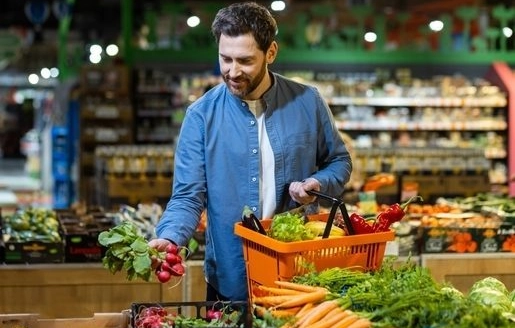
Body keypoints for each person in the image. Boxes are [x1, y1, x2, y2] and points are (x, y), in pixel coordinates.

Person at [148, 1, 352, 302]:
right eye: (225, 59)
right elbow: (188, 195)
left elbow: (339, 161)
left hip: (299, 276)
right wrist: (170, 237)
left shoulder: (308, 102)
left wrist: (317, 184)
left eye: (244, 60)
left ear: (271, 53)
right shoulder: (200, 116)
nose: (232, 71)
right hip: (231, 278)